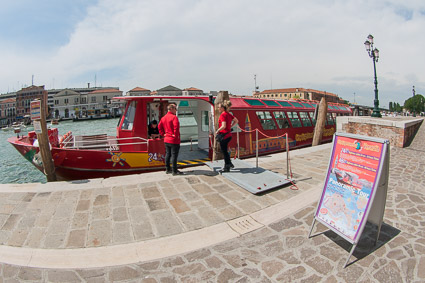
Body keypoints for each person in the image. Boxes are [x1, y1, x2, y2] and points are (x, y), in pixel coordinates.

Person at [158, 103, 183, 176]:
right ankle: (174, 171)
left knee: (168, 154)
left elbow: (159, 127)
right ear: (172, 109)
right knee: (174, 155)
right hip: (173, 140)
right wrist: (175, 135)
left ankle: (167, 169)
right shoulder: (174, 117)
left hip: (166, 139)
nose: (176, 110)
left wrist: (163, 134)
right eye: (175, 109)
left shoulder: (163, 118)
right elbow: (176, 127)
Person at [216, 101, 239, 172]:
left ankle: (227, 167)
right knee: (225, 151)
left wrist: (217, 131)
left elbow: (223, 126)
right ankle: (230, 163)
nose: (218, 108)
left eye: (219, 107)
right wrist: (231, 126)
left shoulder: (223, 115)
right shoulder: (229, 114)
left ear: (223, 108)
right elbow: (236, 121)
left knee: (224, 152)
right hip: (228, 135)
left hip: (224, 135)